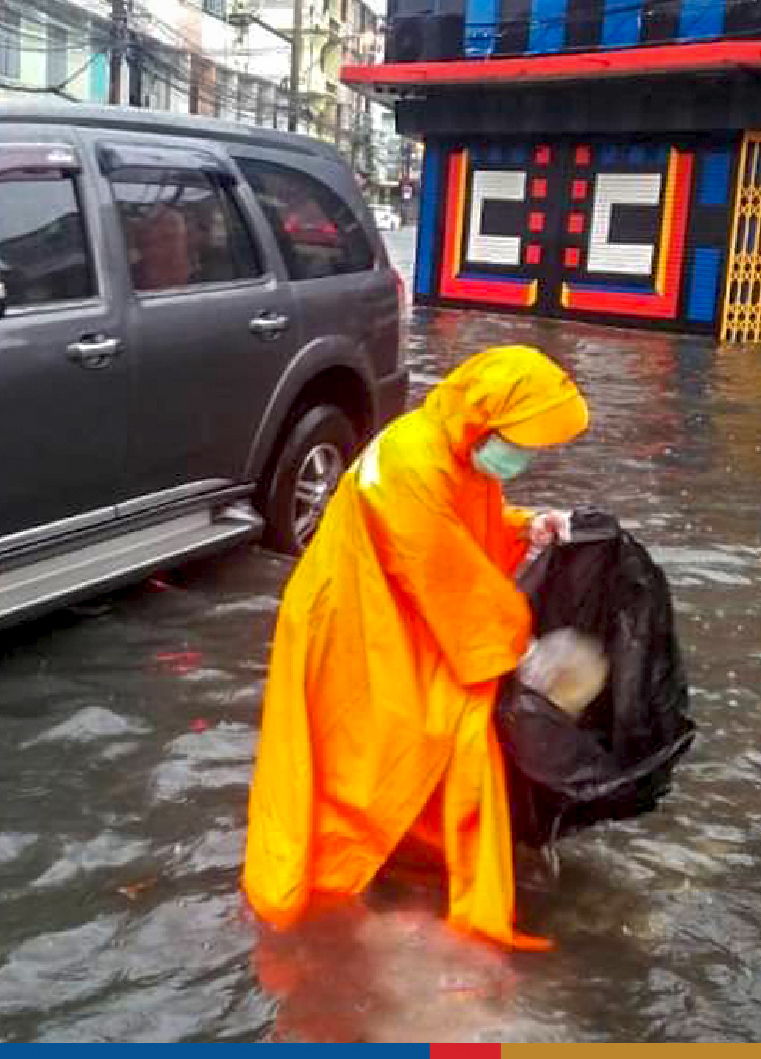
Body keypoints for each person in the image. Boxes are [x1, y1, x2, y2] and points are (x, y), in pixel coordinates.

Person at [243, 345, 590, 949]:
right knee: (359, 752)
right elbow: (442, 567)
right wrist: (523, 649)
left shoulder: (447, 447)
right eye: (520, 440)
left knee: (416, 735)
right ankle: (330, 888)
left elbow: (457, 529)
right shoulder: (411, 463)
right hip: (353, 624)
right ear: (485, 421)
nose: (525, 455)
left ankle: (404, 855)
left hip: (388, 612)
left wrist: (523, 525)